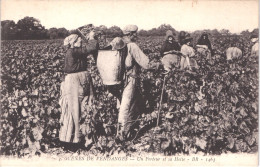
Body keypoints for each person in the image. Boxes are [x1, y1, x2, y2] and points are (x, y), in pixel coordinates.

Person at [112, 25, 160, 141]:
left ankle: (131, 129)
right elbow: (146, 64)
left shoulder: (117, 45)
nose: (136, 36)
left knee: (133, 105)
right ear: (130, 35)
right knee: (126, 106)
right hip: (131, 80)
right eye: (134, 34)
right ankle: (121, 134)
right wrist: (158, 65)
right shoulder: (132, 46)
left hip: (119, 81)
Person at [59, 28, 99, 151]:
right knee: (74, 109)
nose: (81, 41)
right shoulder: (73, 51)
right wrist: (91, 37)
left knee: (84, 107)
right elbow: (91, 48)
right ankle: (74, 140)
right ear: (73, 42)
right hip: (74, 82)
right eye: (79, 40)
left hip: (79, 80)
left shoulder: (76, 51)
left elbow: (90, 49)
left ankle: (82, 137)